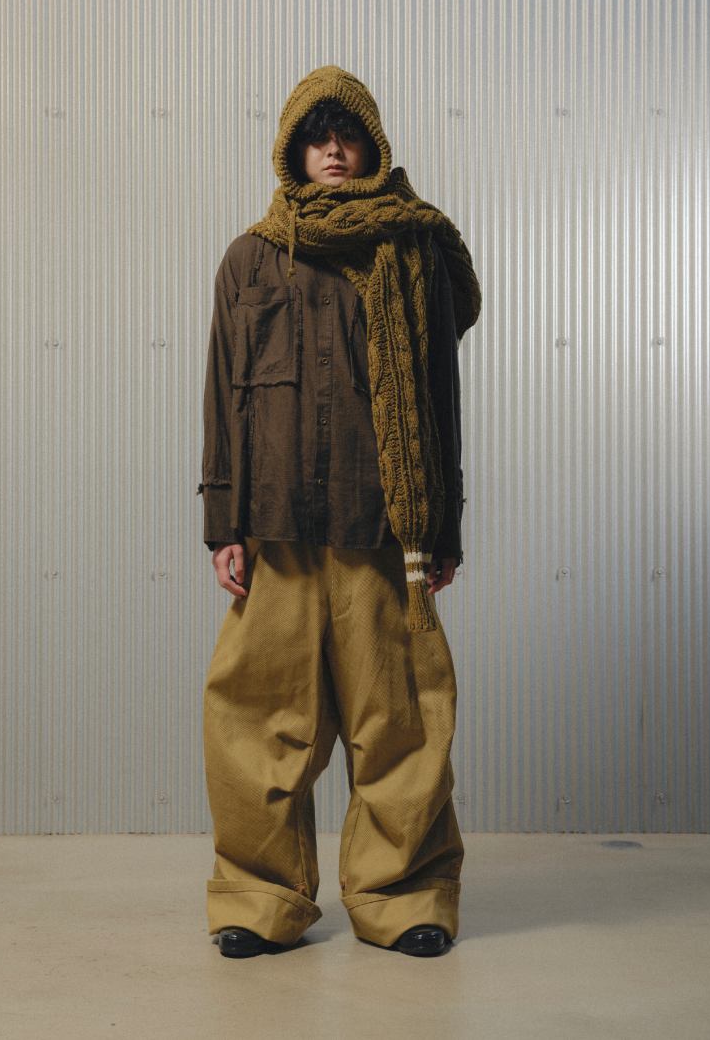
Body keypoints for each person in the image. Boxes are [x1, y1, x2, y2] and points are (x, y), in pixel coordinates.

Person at [198, 65, 481, 958]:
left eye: (346, 134)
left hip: (383, 527)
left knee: (400, 720)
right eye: (316, 136)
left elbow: (437, 396)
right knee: (257, 723)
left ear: (371, 147)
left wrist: (444, 524)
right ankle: (258, 898)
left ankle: (404, 894)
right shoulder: (251, 257)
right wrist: (223, 523)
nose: (331, 149)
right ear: (292, 150)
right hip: (276, 529)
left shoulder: (411, 252)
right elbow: (223, 395)